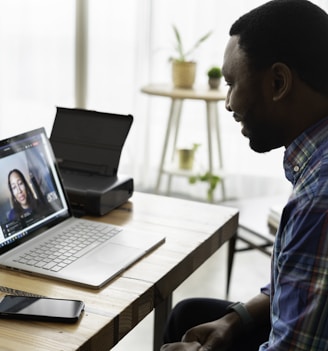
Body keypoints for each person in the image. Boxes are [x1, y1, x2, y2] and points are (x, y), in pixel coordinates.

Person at [160, 0, 328, 350]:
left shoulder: (319, 200)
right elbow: (299, 287)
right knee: (189, 315)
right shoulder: (315, 161)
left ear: (278, 82)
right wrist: (234, 321)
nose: (228, 102)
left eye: (232, 83)